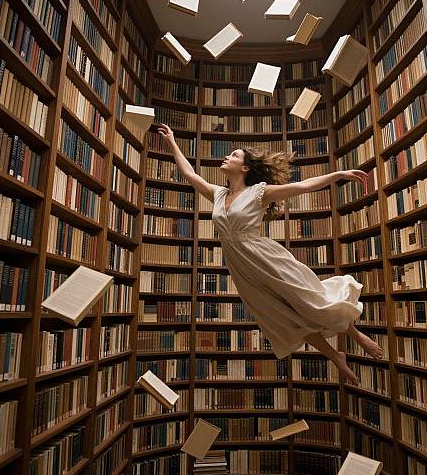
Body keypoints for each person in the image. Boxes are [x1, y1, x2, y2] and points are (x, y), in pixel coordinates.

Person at [157, 123, 383, 385]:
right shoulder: (218, 194)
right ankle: (335, 356)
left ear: (244, 168)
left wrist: (338, 174)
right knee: (282, 317)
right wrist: (173, 142)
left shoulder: (258, 192)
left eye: (234, 155)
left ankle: (356, 336)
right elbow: (190, 175)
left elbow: (303, 187)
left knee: (308, 301)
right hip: (242, 268)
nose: (227, 157)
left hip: (265, 258)